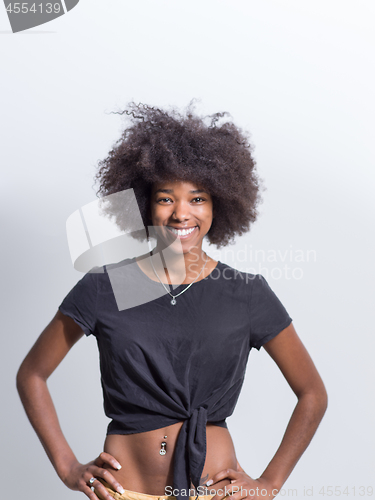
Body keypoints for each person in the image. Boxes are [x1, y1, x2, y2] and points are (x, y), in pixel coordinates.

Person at [16, 102, 328, 500]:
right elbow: (32, 374)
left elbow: (313, 393)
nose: (182, 213)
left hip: (215, 494)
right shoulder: (107, 286)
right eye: (166, 198)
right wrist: (67, 466)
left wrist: (269, 484)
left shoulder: (246, 292)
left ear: (219, 205)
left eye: (197, 198)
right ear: (145, 204)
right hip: (125, 492)